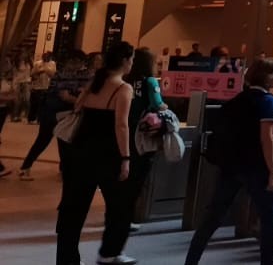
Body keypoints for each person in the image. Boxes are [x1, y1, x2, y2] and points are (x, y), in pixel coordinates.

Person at [186, 58, 273, 265]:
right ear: (266, 77)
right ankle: (267, 262)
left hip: (231, 166)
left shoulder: (236, 101)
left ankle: (191, 259)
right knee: (268, 217)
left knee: (214, 215)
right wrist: (272, 171)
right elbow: (267, 138)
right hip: (257, 166)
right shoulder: (268, 101)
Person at [55, 45, 136, 265]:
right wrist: (125, 158)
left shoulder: (93, 83)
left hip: (80, 151)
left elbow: (77, 110)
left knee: (74, 209)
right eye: (132, 59)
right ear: (125, 61)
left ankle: (66, 259)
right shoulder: (123, 88)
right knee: (120, 207)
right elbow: (121, 126)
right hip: (107, 154)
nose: (132, 63)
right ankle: (109, 252)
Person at [21, 48, 90, 179]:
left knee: (62, 142)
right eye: (76, 62)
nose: (79, 66)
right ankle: (25, 167)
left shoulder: (75, 75)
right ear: (70, 61)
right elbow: (64, 96)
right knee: (44, 140)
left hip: (61, 114)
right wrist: (81, 102)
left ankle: (63, 169)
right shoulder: (62, 74)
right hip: (52, 114)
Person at [125, 46, 166, 231]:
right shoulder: (150, 81)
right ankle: (128, 216)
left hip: (125, 129)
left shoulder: (127, 80)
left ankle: (114, 214)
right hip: (142, 132)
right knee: (138, 177)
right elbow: (158, 104)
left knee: (124, 174)